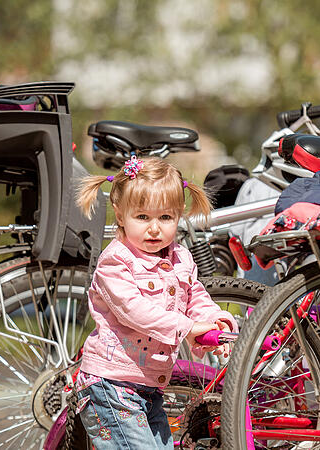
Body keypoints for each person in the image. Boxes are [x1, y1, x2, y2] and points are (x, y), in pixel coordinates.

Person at [74, 156, 237, 449]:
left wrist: (213, 318)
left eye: (165, 218)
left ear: (179, 216)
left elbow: (194, 295)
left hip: (148, 389)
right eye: (142, 217)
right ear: (120, 215)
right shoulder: (116, 262)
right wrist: (187, 327)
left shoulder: (180, 258)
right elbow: (134, 311)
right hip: (111, 387)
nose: (154, 229)